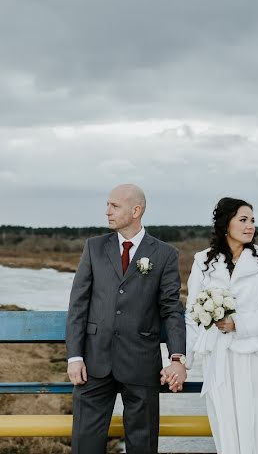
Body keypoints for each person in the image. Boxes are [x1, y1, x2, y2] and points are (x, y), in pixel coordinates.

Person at [66, 183, 187, 454]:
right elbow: (78, 305)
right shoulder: (94, 248)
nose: (107, 211)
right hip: (94, 363)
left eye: (114, 206)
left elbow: (171, 309)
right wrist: (75, 357)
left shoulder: (165, 254)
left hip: (141, 362)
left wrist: (177, 358)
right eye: (108, 204)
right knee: (85, 445)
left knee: (143, 446)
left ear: (136, 210)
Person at [182, 197, 258, 453]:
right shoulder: (202, 261)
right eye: (243, 220)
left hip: (255, 356)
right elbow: (192, 315)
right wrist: (184, 362)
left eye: (252, 220)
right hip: (218, 359)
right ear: (226, 224)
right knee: (226, 426)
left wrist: (238, 324)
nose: (250, 226)